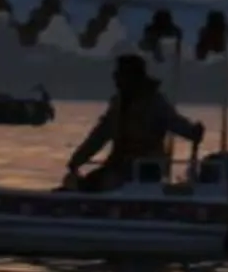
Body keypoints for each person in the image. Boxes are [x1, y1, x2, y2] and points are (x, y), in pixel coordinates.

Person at [63, 54, 204, 192]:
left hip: (145, 167)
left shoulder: (154, 103)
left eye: (120, 75)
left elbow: (175, 122)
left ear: (133, 77)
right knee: (85, 183)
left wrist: (193, 131)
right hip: (118, 165)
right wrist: (77, 160)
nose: (116, 79)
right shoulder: (117, 105)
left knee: (103, 183)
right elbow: (99, 136)